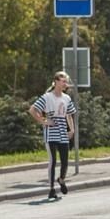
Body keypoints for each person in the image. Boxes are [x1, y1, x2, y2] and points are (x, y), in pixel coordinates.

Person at [29, 71, 78, 199]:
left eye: (66, 82)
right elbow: (32, 110)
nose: (65, 84)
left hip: (63, 134)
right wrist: (44, 121)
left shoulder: (66, 98)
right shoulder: (47, 97)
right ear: (56, 81)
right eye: (63, 81)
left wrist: (72, 130)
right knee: (53, 161)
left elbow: (69, 114)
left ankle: (61, 179)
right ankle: (51, 189)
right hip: (51, 134)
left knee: (65, 162)